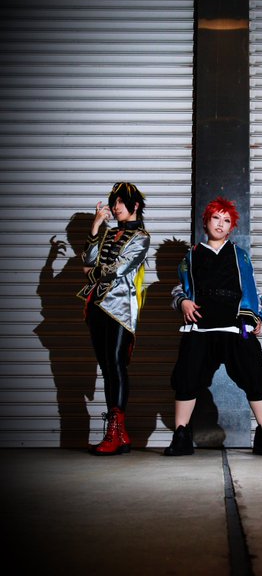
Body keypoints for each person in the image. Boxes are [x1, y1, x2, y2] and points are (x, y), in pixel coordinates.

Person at [164, 196, 262, 457]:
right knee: (186, 379)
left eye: (226, 220)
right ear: (205, 221)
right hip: (200, 328)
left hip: (235, 327)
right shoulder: (190, 257)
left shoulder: (240, 256)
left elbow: (253, 290)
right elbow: (179, 289)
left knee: (255, 377)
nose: (220, 224)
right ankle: (181, 435)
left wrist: (257, 316)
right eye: (216, 218)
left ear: (231, 227)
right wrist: (183, 302)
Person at [77, 182, 150, 455]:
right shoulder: (107, 233)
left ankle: (116, 431)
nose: (116, 207)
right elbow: (88, 260)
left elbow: (119, 268)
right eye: (114, 202)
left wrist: (92, 273)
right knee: (107, 367)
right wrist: (96, 226)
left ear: (135, 205)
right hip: (97, 305)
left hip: (121, 308)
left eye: (120, 202)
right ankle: (118, 434)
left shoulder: (141, 237)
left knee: (117, 364)